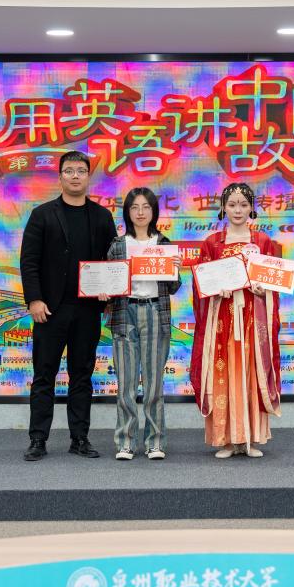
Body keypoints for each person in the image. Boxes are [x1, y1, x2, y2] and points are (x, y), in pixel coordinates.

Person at [19, 150, 117, 462]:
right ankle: (38, 439)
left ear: (89, 177)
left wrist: (110, 291)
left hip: (87, 310)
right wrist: (34, 299)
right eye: (69, 171)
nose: (75, 176)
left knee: (82, 375)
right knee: (44, 375)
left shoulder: (102, 217)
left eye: (81, 171)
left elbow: (112, 261)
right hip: (50, 310)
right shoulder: (42, 214)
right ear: (60, 176)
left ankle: (80, 438)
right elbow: (29, 261)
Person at [190, 182, 282, 458]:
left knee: (251, 372)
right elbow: (200, 283)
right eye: (232, 205)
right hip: (222, 321)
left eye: (243, 204)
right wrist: (216, 289)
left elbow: (273, 283)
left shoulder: (263, 242)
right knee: (224, 372)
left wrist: (263, 290)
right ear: (223, 208)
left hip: (253, 319)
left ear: (252, 208)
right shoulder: (212, 243)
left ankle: (250, 438)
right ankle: (227, 439)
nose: (238, 210)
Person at [98, 187, 182, 461]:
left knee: (154, 383)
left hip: (155, 312)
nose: (141, 212)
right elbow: (109, 281)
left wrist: (175, 268)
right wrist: (103, 290)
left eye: (146, 207)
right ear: (127, 212)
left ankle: (155, 442)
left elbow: (173, 288)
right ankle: (125, 442)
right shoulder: (117, 245)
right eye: (135, 207)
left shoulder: (164, 244)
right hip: (125, 314)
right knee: (126, 383)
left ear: (154, 211)